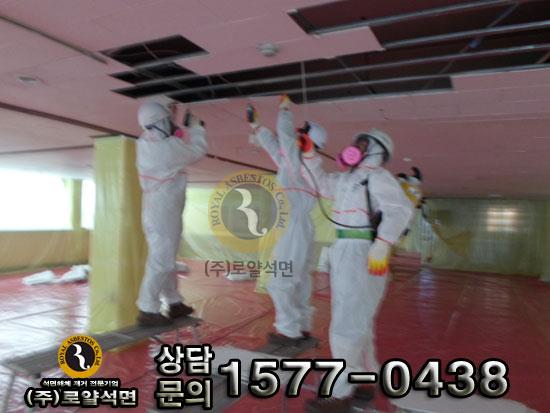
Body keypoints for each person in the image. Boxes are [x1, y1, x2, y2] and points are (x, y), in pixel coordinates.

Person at [301, 129, 414, 412]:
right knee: (357, 321)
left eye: (362, 144)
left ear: (377, 150)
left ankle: (340, 393)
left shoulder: (377, 176)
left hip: (363, 252)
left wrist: (383, 243)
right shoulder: (346, 179)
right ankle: (365, 381)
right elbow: (320, 183)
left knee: (346, 324)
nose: (355, 147)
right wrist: (310, 154)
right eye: (356, 143)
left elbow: (400, 209)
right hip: (344, 249)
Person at [248, 96, 327, 345]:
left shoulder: (300, 162)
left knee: (279, 280)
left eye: (301, 135)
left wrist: (284, 110)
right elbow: (275, 148)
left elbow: (283, 138)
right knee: (300, 279)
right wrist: (256, 127)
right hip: (300, 225)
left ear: (307, 141)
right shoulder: (298, 163)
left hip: (294, 225)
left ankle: (288, 331)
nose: (296, 137)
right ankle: (301, 326)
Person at [135, 102, 207, 326]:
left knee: (165, 258)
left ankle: (174, 302)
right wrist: (196, 129)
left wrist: (171, 116)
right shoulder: (166, 150)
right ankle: (147, 308)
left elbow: (166, 135)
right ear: (159, 123)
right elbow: (197, 150)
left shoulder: (145, 141)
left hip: (157, 208)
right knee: (161, 260)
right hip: (163, 209)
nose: (169, 123)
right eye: (166, 120)